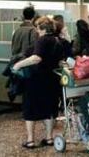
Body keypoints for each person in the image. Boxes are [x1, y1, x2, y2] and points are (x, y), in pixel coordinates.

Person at [12, 17, 64, 149]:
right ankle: (49, 138)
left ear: (41, 28)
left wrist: (18, 65)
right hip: (52, 80)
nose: (36, 30)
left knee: (30, 108)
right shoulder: (58, 40)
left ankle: (30, 140)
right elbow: (60, 61)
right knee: (49, 108)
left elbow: (36, 58)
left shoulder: (42, 40)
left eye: (37, 27)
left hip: (36, 79)